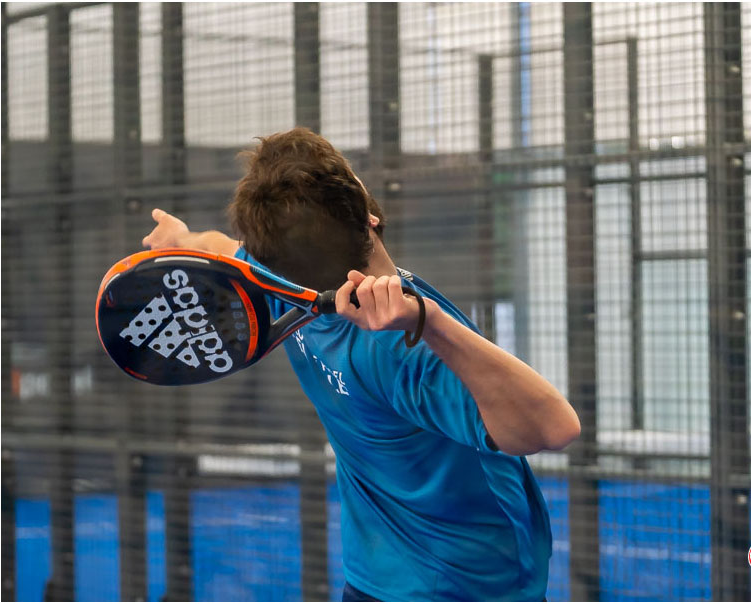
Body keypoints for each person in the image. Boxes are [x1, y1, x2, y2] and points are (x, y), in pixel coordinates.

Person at [142, 127, 580, 601]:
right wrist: (431, 321)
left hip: (374, 577)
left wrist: (183, 240)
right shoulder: (406, 350)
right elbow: (555, 427)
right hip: (467, 586)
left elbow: (222, 249)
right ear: (369, 216)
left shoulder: (279, 278)